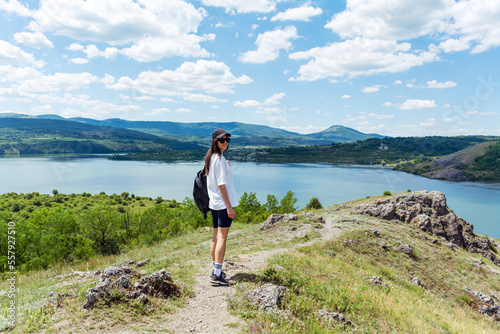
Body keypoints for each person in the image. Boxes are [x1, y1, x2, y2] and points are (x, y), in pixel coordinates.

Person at [204, 128, 239, 286]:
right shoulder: (219, 159)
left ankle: (215, 270)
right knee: (222, 238)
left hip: (214, 203)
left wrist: (226, 165)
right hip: (223, 204)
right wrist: (229, 207)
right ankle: (217, 275)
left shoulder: (212, 157)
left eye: (227, 140)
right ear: (215, 142)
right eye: (222, 140)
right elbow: (222, 185)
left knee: (216, 237)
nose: (225, 142)